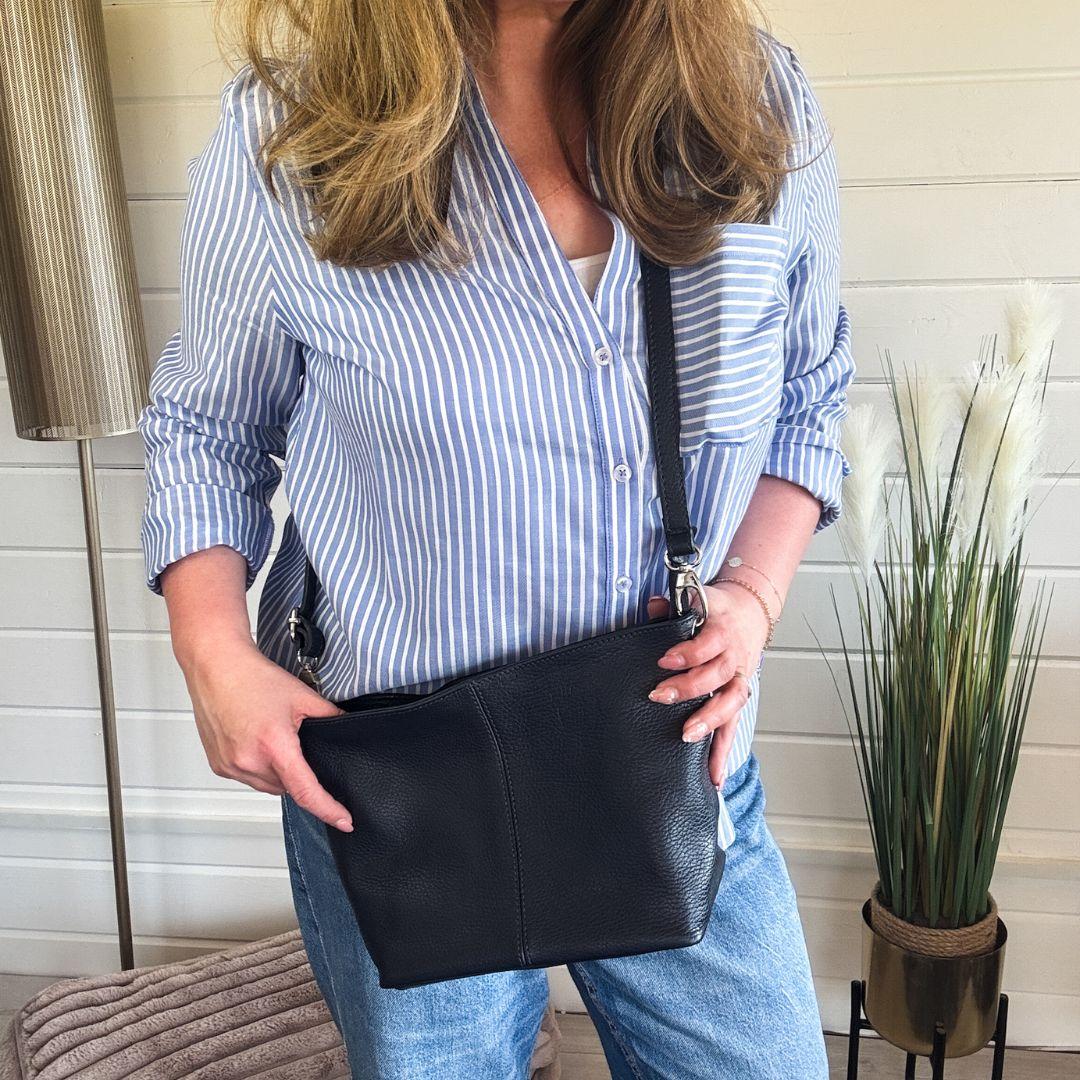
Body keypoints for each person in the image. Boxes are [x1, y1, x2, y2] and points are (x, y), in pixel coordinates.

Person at [137, 1, 853, 1076]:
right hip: (407, 788)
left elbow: (809, 391)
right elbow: (208, 425)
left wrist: (751, 595)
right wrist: (213, 656)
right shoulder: (286, 137)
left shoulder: (756, 101)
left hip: (677, 759)